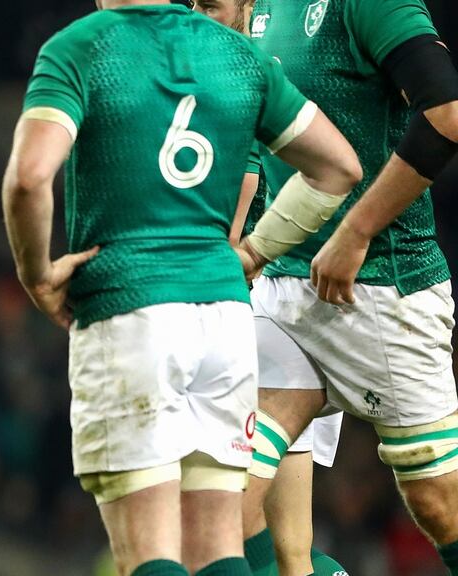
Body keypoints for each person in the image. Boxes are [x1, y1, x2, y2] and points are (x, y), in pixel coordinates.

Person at [2, 0, 362, 574]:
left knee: (147, 548)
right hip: (225, 319)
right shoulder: (241, 56)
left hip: (131, 308)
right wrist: (253, 251)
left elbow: (28, 177)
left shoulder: (81, 46)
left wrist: (36, 273)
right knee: (216, 544)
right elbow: (338, 167)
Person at [229, 0, 458, 574]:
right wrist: (239, 250)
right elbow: (261, 142)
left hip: (381, 290)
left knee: (439, 507)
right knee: (220, 499)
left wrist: (357, 231)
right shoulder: (260, 6)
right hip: (283, 293)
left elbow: (447, 112)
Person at [193, 1, 350, 574]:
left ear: (250, 7)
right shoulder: (242, 62)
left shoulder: (249, 70)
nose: (200, 13)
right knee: (287, 550)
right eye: (193, 3)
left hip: (266, 307)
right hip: (282, 308)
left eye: (213, 4)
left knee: (216, 517)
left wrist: (217, 280)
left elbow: (249, 171)